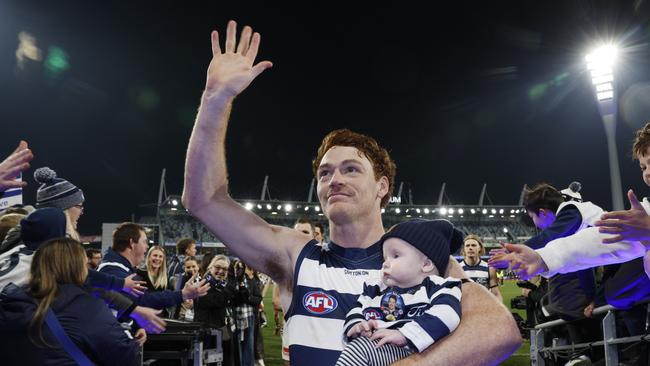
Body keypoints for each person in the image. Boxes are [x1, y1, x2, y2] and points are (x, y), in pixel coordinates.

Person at [182, 20, 521, 365]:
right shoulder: (295, 256)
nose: (335, 179)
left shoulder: (420, 259)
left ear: (383, 186)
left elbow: (498, 330)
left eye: (351, 169)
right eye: (325, 173)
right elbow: (203, 200)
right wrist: (215, 99)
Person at [336, 219, 463, 366]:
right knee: (359, 347)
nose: (385, 263)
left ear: (426, 264)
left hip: (415, 351)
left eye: (395, 256)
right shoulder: (376, 288)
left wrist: (406, 335)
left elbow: (448, 314)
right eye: (385, 258)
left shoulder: (438, 286)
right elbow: (356, 308)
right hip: (377, 346)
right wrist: (357, 324)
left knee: (359, 349)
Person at [0, 238, 139, 365]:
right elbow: (124, 356)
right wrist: (131, 339)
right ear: (77, 268)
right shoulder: (87, 307)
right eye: (85, 265)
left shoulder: (11, 303)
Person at [99, 223, 209, 310]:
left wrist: (136, 328)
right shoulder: (113, 270)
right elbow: (142, 300)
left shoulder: (122, 268)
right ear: (132, 243)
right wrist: (182, 294)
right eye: (144, 242)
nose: (147, 246)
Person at [196, 254, 236, 366]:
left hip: (222, 329)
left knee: (224, 360)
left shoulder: (222, 285)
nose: (220, 271)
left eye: (224, 269)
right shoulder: (203, 284)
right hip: (207, 332)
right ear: (210, 268)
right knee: (209, 362)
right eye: (217, 267)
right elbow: (216, 301)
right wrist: (230, 287)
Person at [33, 167, 84, 241]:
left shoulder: (38, 239)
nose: (82, 212)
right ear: (63, 209)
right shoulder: (59, 246)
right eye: (79, 206)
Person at [460, 234, 502, 302]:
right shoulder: (458, 269)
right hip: (464, 310)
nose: (470, 248)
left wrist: (499, 309)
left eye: (473, 245)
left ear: (480, 248)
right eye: (467, 245)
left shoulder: (489, 268)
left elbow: (496, 293)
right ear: (464, 249)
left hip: (483, 309)